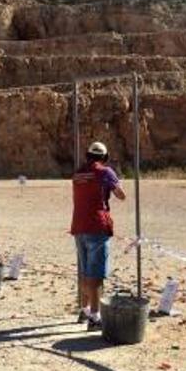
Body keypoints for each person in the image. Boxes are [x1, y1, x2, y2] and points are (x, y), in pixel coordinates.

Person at [71, 142, 126, 331]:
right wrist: (118, 181)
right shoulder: (105, 172)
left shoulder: (78, 173)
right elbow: (121, 195)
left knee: (85, 270)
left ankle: (84, 309)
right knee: (96, 274)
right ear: (104, 157)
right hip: (97, 226)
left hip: (78, 226)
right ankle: (95, 316)